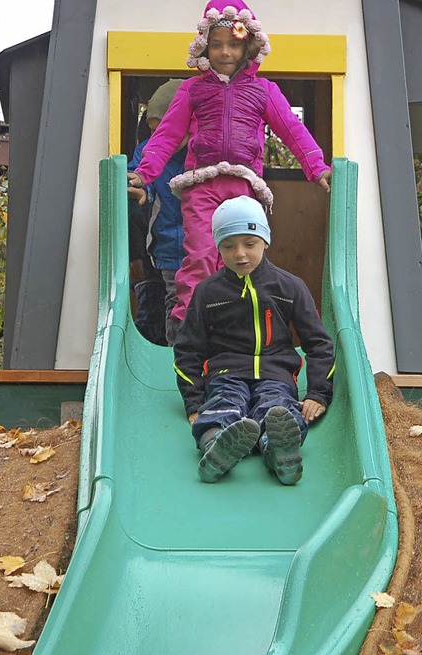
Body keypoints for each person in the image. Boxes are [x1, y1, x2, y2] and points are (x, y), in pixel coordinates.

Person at [127, 0, 332, 335]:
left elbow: (293, 132)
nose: (224, 52)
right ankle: (188, 327)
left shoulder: (263, 91)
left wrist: (317, 168)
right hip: (201, 185)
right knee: (200, 255)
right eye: (217, 44)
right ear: (206, 46)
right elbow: (166, 135)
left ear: (247, 45)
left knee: (239, 256)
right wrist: (145, 173)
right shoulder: (193, 90)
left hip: (243, 187)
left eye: (233, 44)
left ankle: (235, 328)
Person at [173, 196, 335, 484]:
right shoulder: (208, 292)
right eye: (228, 246)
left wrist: (317, 393)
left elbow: (318, 342)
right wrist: (194, 403)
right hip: (226, 373)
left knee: (278, 409)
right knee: (223, 405)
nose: (240, 254)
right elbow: (188, 349)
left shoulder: (289, 287)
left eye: (250, 243)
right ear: (218, 247)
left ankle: (279, 451)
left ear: (265, 241)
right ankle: (216, 449)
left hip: (276, 374)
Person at [128, 79, 187, 346]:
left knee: (211, 301)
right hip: (167, 244)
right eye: (153, 132)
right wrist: (142, 190)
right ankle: (176, 357)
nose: (159, 139)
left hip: (208, 246)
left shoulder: (203, 152)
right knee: (176, 300)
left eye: (167, 131)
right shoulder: (148, 151)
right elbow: (135, 175)